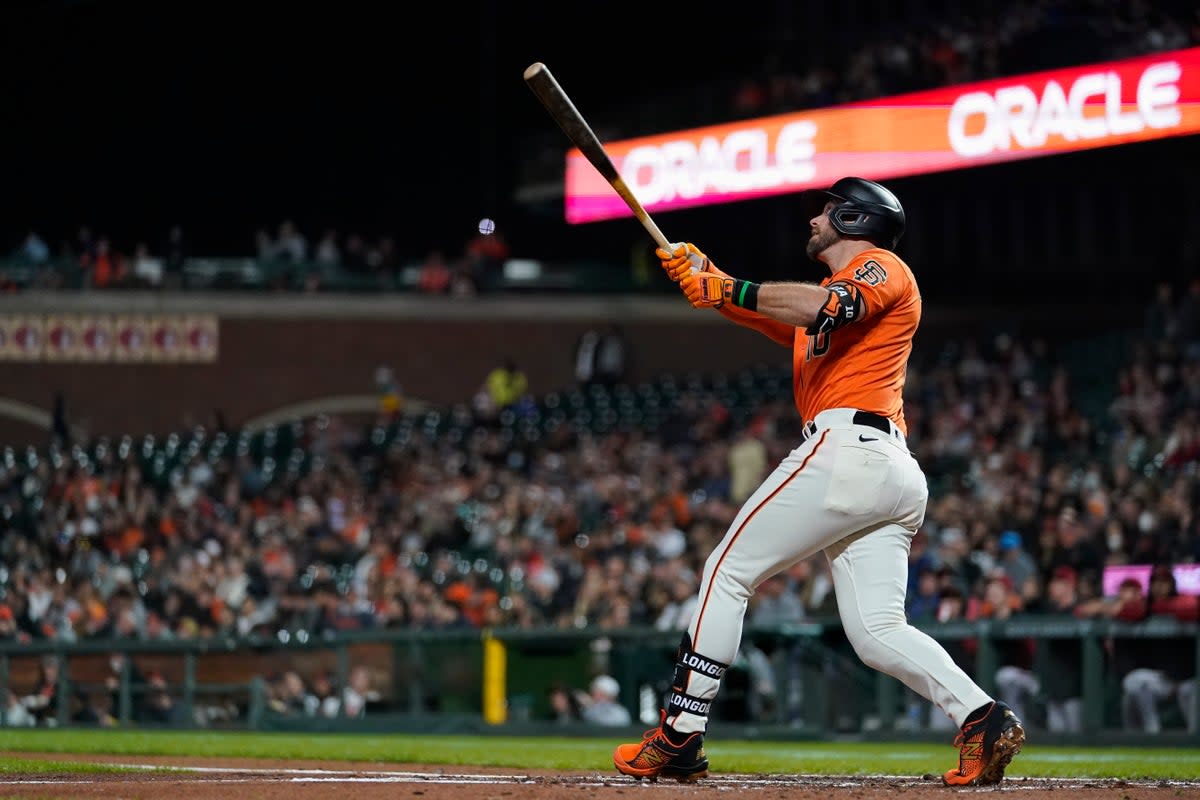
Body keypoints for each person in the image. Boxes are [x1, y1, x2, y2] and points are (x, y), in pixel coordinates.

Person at [612, 178, 1024, 786]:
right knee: (878, 632)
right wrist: (709, 279)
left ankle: (679, 733)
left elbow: (822, 307)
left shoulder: (883, 268)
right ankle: (981, 718)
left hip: (850, 451)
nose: (813, 221)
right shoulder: (830, 302)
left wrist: (726, 285)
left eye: (827, 211)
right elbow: (781, 317)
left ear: (856, 218)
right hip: (884, 470)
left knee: (727, 570)